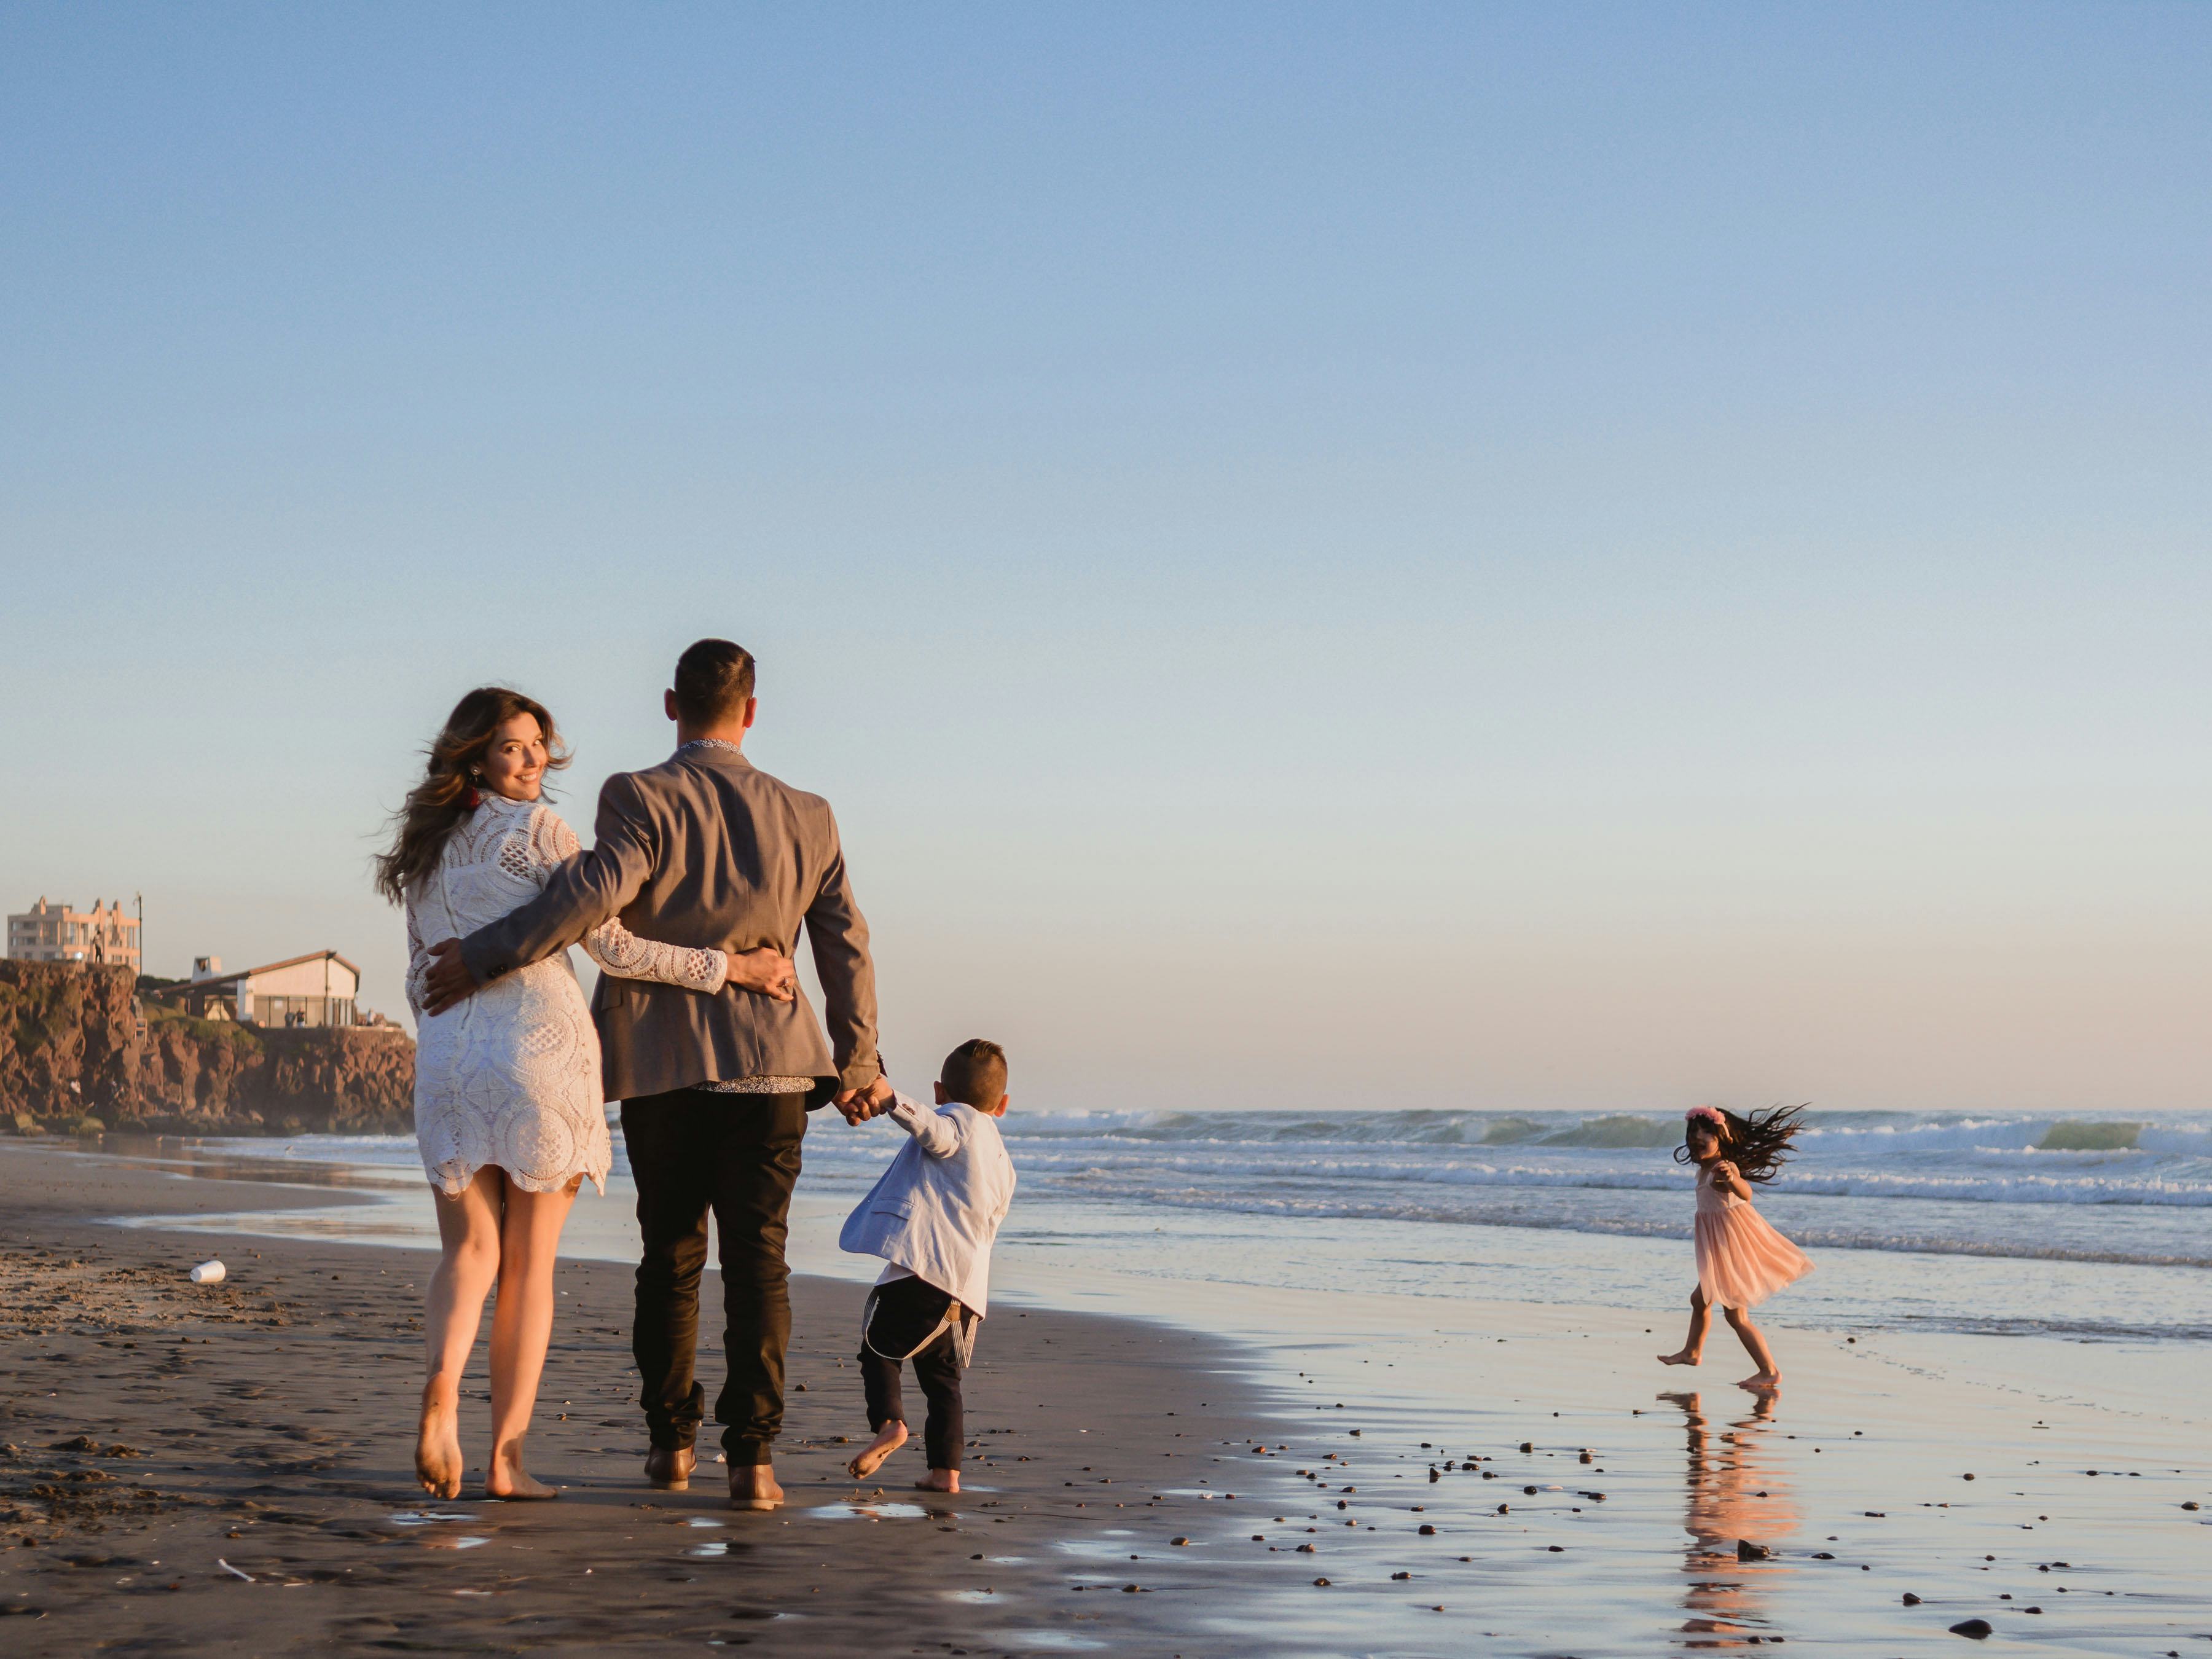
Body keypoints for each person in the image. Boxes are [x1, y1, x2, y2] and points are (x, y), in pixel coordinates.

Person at [420, 640, 894, 1511]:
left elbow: (591, 902)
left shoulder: (637, 796)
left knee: (670, 1257)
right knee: (761, 1265)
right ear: (751, 711)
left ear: (672, 705)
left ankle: (671, 1446)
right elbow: (844, 943)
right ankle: (752, 1463)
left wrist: (482, 955)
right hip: (773, 1065)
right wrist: (860, 1058)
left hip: (662, 1065)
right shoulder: (812, 814)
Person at [376, 686, 798, 1501]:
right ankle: (505, 1460)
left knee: (468, 1251)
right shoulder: (541, 832)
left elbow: (418, 973)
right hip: (541, 1052)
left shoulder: (424, 855)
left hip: (452, 1062)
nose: (532, 760)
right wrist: (734, 968)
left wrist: (446, 1038)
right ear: (475, 757)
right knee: (530, 1266)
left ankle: (441, 1388)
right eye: (512, 747)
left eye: (538, 745)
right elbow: (613, 945)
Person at [839, 1039, 1016, 1493]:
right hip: (966, 1290)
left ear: (940, 1092)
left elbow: (936, 1133)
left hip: (926, 1273)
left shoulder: (959, 1121)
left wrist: (891, 1097)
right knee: (942, 1383)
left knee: (878, 1349)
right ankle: (945, 1473)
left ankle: (890, 1424)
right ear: (1004, 1104)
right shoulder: (1003, 1161)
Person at [1657, 1105, 1814, 1389]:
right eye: (1694, 1133)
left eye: (1706, 1133)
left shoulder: (1722, 1169)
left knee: (1735, 1314)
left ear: (1723, 1138)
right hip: (1719, 1248)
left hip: (1734, 1249)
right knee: (1701, 1300)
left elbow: (1746, 1193)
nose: (1697, 1137)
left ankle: (1769, 1371)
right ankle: (1693, 1352)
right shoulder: (1706, 1166)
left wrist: (1733, 1179)